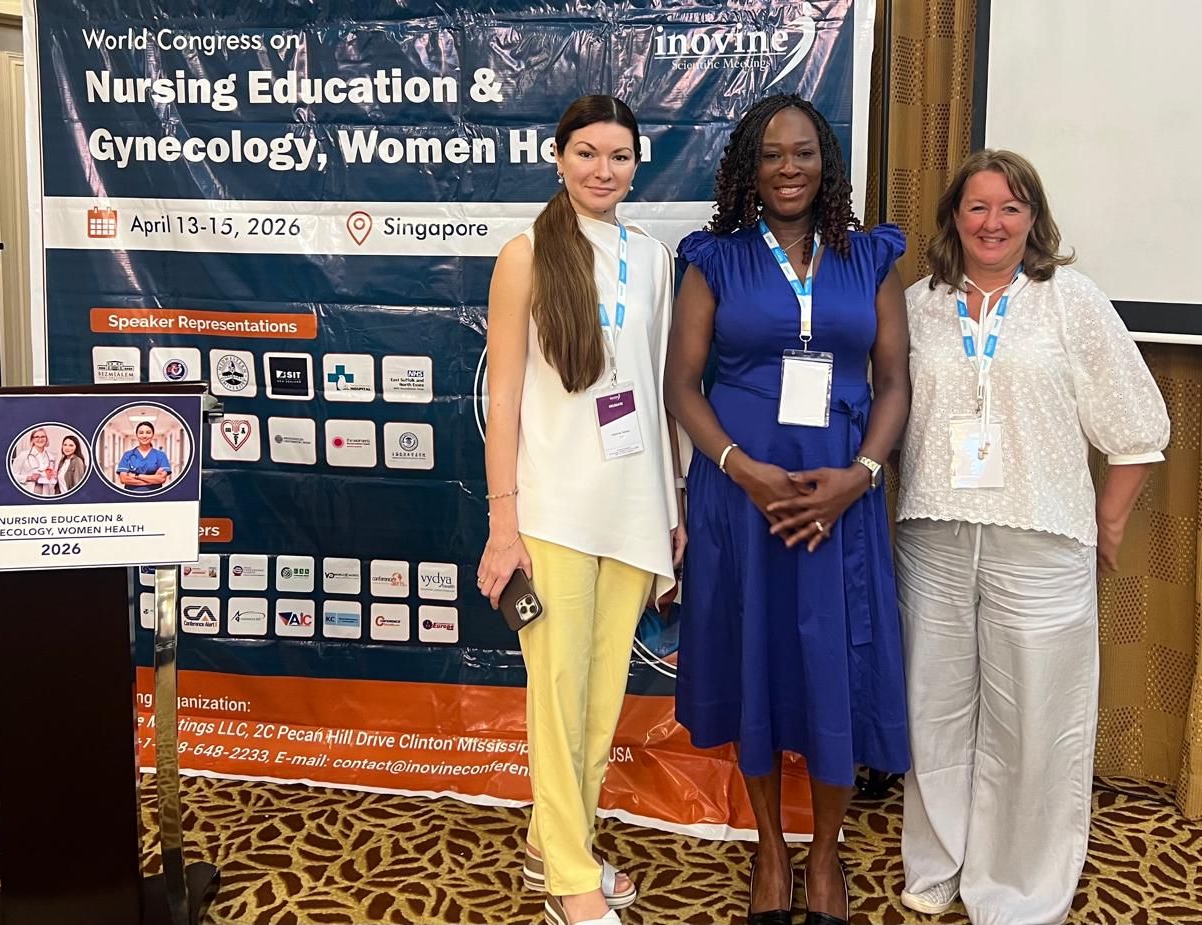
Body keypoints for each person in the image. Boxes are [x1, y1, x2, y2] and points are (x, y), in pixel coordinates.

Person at [895, 149, 1170, 925]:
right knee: (934, 710)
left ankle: (1017, 887)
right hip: (934, 536)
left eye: (1011, 207)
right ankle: (939, 861)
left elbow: (1138, 427)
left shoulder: (1071, 300)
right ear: (954, 216)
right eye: (978, 206)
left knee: (1036, 719)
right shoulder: (918, 304)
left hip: (1042, 541)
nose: (994, 222)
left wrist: (1107, 521)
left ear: (1033, 219)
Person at [664, 94, 911, 925]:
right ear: (748, 167)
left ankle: (825, 852)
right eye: (771, 155)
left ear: (826, 162)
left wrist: (861, 475)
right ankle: (771, 848)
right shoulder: (715, 259)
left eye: (803, 152)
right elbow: (681, 386)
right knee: (756, 663)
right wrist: (740, 468)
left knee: (836, 669)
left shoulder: (869, 256)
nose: (789, 168)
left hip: (840, 500)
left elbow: (895, 383)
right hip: (744, 501)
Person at [476, 94, 685, 925]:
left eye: (620, 155)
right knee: (557, 694)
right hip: (553, 509)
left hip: (633, 505)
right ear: (558, 157)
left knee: (599, 702)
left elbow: (661, 391)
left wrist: (672, 500)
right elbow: (503, 398)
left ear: (638, 163)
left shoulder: (653, 257)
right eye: (588, 153)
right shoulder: (525, 253)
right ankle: (570, 874)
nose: (605, 170)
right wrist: (503, 524)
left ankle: (551, 841)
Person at [116, 421, 173, 492]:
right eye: (141, 433)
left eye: (148, 432)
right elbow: (123, 479)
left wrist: (136, 476)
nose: (144, 436)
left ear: (152, 435)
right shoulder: (127, 455)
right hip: (131, 494)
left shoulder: (161, 455)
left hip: (155, 494)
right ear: (137, 435)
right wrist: (153, 479)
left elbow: (161, 479)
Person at [15, 427, 58, 496]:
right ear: (32, 439)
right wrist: (29, 477)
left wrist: (53, 475)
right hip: (27, 492)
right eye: (36, 437)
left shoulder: (51, 457)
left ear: (46, 439)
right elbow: (13, 476)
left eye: (43, 437)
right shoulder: (23, 455)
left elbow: (52, 478)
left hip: (45, 493)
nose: (40, 439)